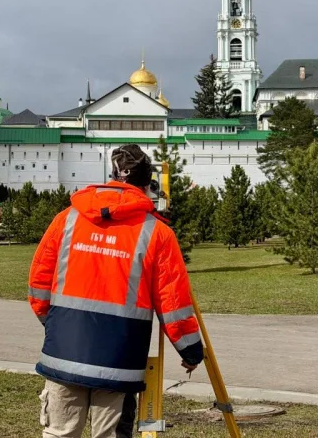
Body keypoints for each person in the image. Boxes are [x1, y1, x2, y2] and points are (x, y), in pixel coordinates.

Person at [28, 144, 203, 438]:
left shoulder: (67, 219)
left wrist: (60, 325)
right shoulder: (157, 232)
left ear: (111, 177)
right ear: (148, 185)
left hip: (63, 350)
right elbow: (173, 304)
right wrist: (191, 351)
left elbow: (38, 287)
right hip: (119, 361)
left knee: (60, 433)